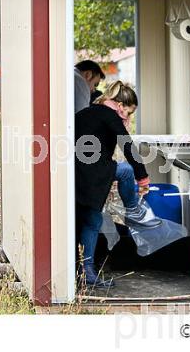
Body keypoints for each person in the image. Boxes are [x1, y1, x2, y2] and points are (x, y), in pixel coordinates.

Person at [75, 80, 150, 288]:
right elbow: (128, 146)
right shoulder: (110, 116)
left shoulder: (88, 112)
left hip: (77, 175)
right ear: (119, 105)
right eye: (129, 112)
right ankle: (134, 212)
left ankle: (86, 272)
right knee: (126, 171)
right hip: (92, 174)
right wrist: (143, 177)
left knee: (92, 221)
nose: (129, 117)